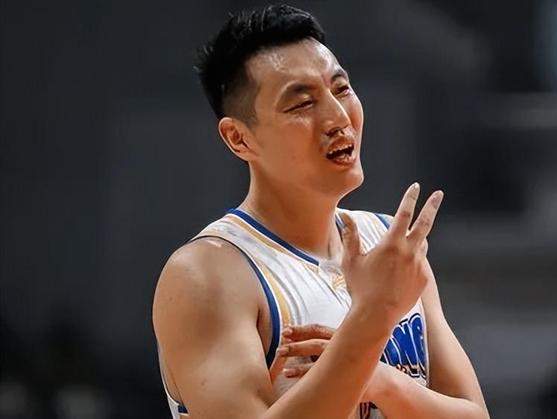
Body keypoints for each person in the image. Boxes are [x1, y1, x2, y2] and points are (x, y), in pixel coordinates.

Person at [152, 5, 489, 419]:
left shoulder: (389, 246)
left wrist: (384, 382)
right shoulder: (206, 274)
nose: (337, 116)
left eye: (341, 89)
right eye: (302, 104)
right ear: (239, 138)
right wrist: (370, 322)